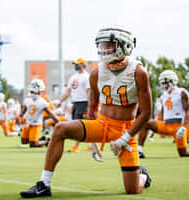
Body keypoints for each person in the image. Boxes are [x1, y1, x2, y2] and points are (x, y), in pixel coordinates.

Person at [20, 25, 152, 198]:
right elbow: (93, 105)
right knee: (60, 129)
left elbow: (146, 113)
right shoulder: (97, 72)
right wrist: (92, 141)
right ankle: (44, 184)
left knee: (132, 190)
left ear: (123, 45)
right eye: (102, 45)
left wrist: (125, 138)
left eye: (108, 44)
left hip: (125, 130)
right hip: (102, 124)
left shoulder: (138, 72)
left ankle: (142, 175)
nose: (104, 49)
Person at [138, 70, 189, 158]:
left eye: (165, 83)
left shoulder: (182, 92)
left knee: (183, 153)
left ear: (172, 81)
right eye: (162, 83)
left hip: (178, 127)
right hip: (166, 125)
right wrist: (153, 130)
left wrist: (184, 127)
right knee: (145, 122)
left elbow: (187, 111)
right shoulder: (164, 96)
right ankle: (139, 151)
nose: (163, 85)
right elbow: (161, 113)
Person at [56, 57, 90, 152]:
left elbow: (88, 91)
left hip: (83, 102)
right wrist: (60, 101)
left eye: (77, 64)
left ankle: (77, 146)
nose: (76, 66)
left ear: (83, 65)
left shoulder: (87, 77)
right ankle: (89, 145)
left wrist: (89, 104)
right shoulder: (73, 77)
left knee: (79, 125)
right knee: (81, 125)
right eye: (75, 64)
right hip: (75, 103)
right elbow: (68, 91)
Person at [18, 79, 59, 148]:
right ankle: (39, 139)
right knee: (23, 141)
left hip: (36, 124)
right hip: (28, 123)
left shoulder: (42, 102)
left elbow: (50, 113)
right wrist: (19, 117)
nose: (33, 93)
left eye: (35, 92)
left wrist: (57, 121)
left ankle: (47, 142)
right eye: (32, 92)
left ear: (40, 92)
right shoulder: (27, 100)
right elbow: (23, 111)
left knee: (32, 144)